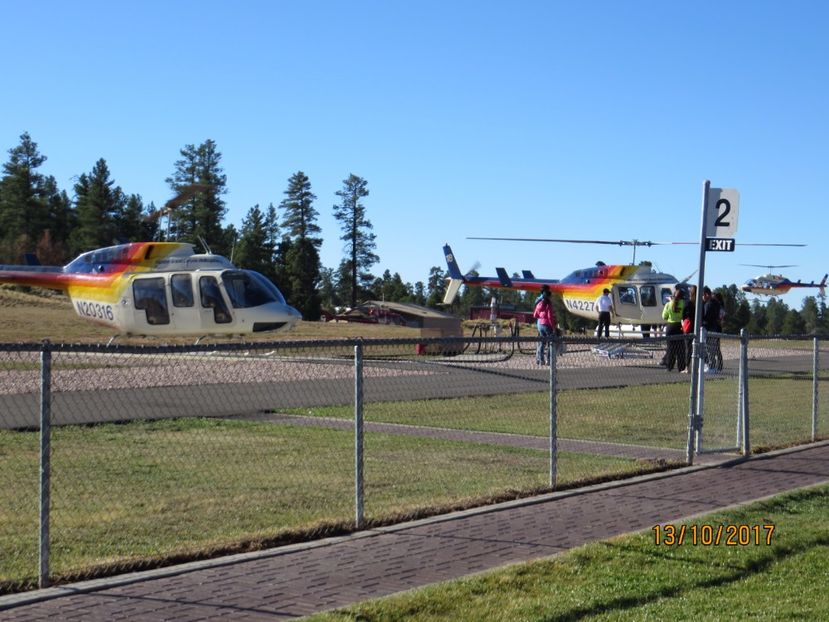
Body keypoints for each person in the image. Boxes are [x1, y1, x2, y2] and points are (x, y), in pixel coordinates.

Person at [661, 287, 686, 372]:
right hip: (679, 327)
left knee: (670, 348)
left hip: (670, 327)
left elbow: (664, 316)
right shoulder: (683, 303)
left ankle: (669, 366)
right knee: (680, 348)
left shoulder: (669, 304)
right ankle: (681, 367)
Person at [533, 285, 557, 365]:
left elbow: (535, 315)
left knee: (542, 343)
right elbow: (550, 317)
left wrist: (540, 317)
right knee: (551, 342)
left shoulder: (539, 302)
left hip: (540, 324)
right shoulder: (548, 304)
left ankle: (540, 359)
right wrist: (553, 327)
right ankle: (549, 359)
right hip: (547, 325)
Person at [701, 286, 723, 372]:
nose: (702, 298)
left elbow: (706, 316)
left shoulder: (708, 304)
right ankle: (712, 366)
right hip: (714, 327)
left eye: (703, 295)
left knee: (709, 348)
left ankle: (711, 366)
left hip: (708, 327)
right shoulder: (717, 303)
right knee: (713, 348)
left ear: (706, 294)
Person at [682, 285, 697, 373]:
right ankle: (697, 366)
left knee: (688, 348)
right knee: (696, 347)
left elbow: (684, 315)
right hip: (697, 327)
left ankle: (687, 367)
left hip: (689, 327)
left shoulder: (688, 303)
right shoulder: (699, 303)